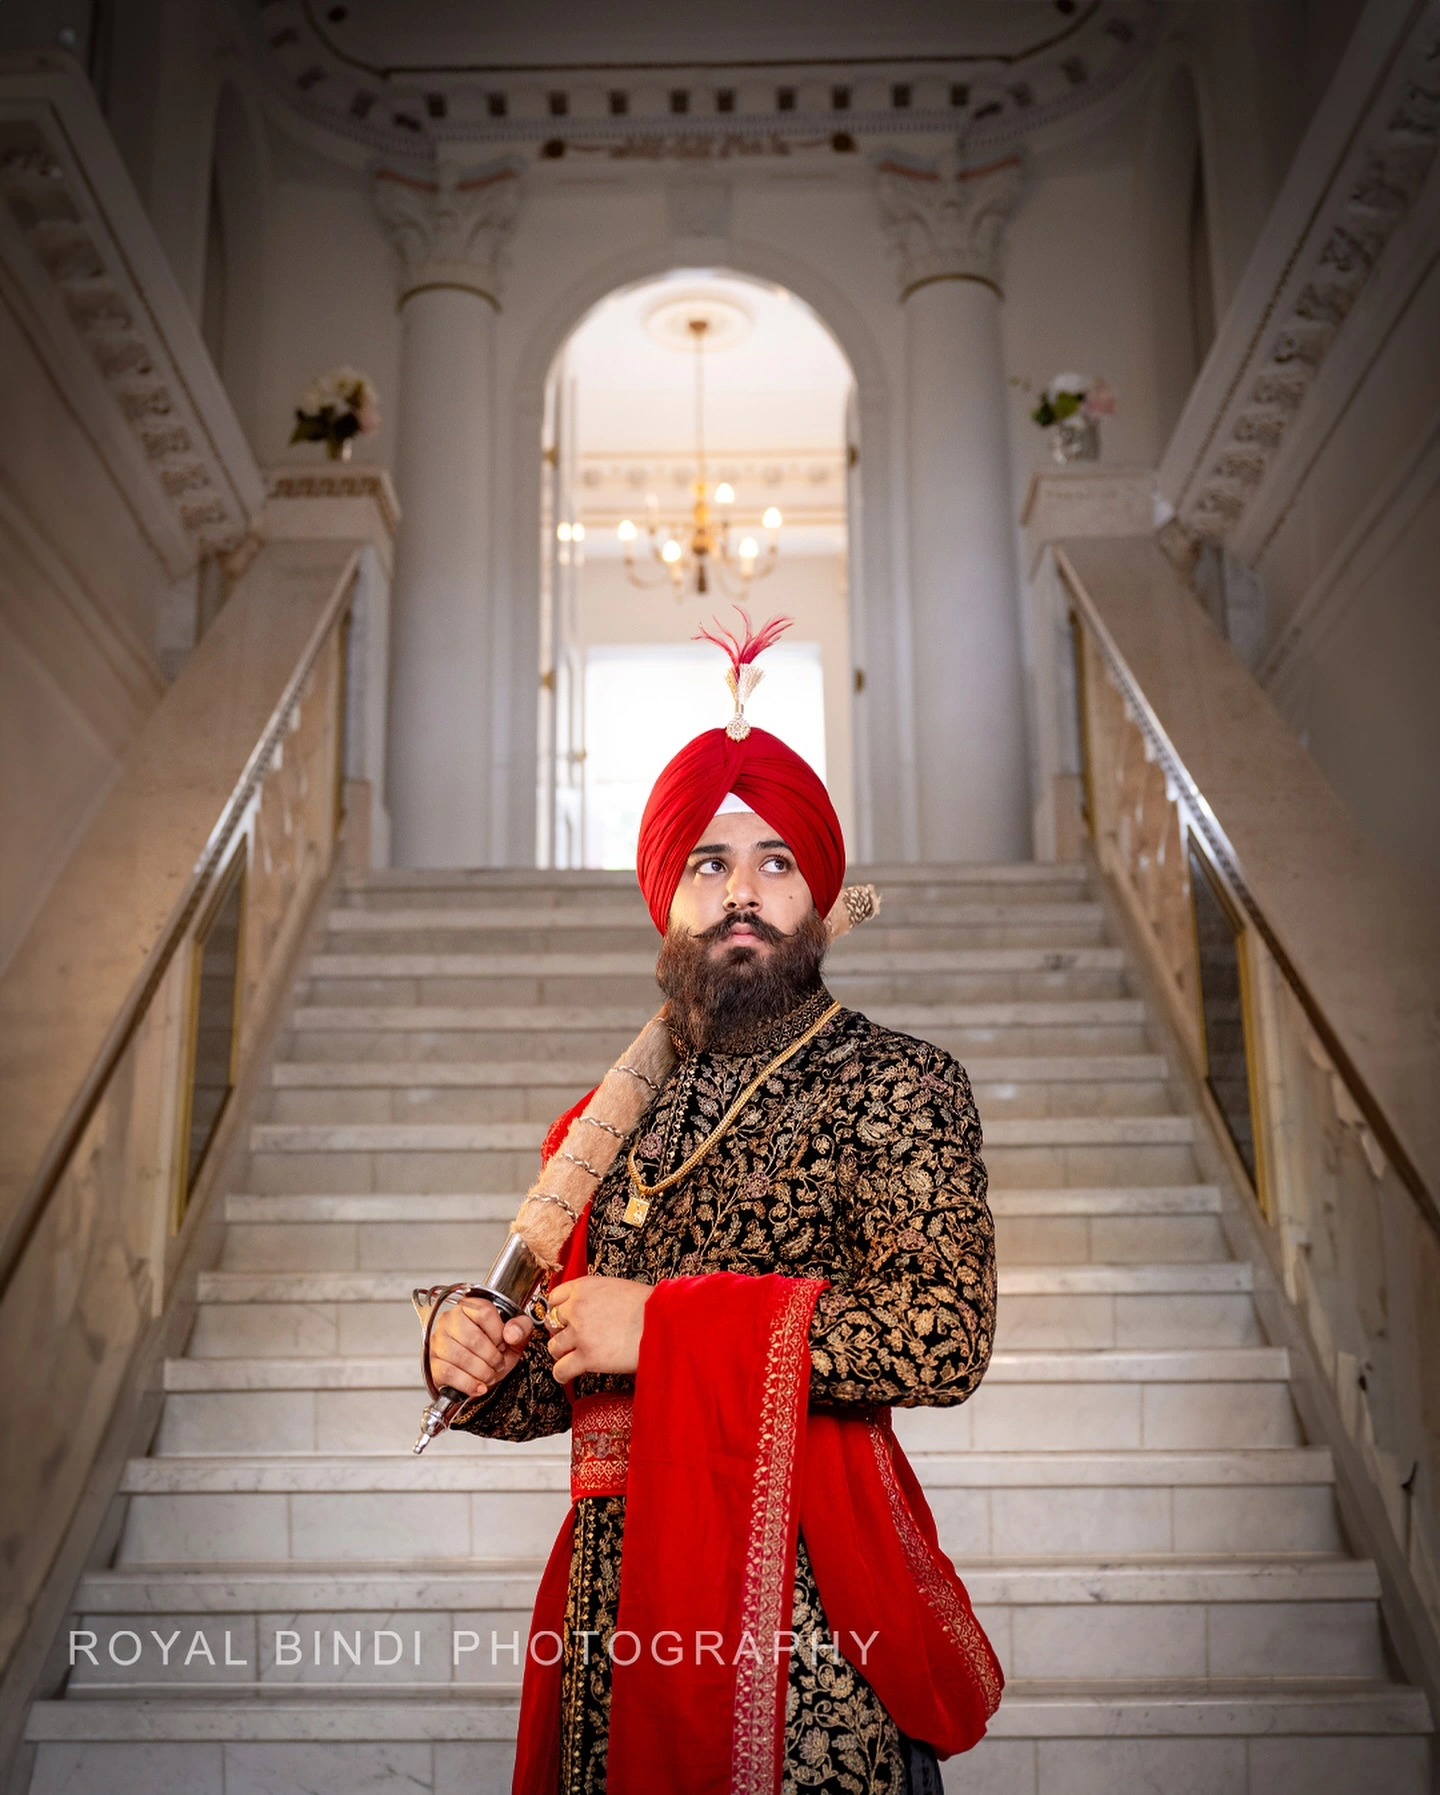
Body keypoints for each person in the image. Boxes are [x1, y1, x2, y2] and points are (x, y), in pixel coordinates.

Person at [427, 617, 1001, 1794]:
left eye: (777, 860)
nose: (743, 889)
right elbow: (560, 1379)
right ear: (668, 897)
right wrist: (465, 1344)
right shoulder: (599, 1126)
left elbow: (943, 1334)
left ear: (816, 889)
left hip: (805, 1603)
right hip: (616, 1606)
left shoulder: (895, 1079)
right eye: (710, 862)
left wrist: (670, 1322)